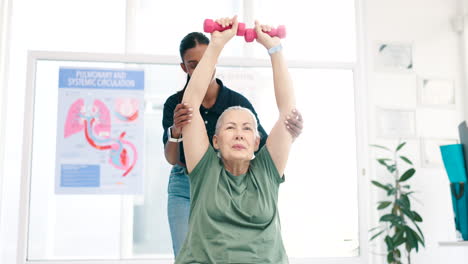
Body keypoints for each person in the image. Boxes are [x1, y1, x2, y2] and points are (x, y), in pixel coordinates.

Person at [162, 31, 303, 257]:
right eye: (230, 127)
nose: (239, 134)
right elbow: (190, 103)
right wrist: (217, 43)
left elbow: (288, 113)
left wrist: (275, 48)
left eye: (247, 128)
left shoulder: (266, 171)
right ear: (215, 141)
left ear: (256, 142)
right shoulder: (205, 169)